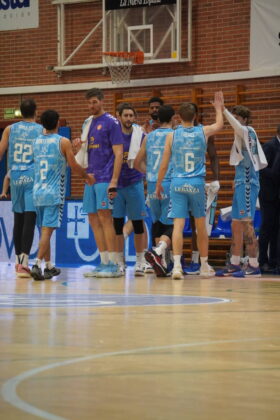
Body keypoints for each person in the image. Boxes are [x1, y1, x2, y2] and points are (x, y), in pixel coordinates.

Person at [155, 92, 224, 280]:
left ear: (178, 117)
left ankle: (177, 266)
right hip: (196, 183)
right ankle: (203, 265)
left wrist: (159, 184)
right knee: (200, 226)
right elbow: (220, 125)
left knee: (178, 225)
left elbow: (163, 164)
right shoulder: (203, 131)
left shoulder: (172, 135)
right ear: (195, 116)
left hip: (177, 183)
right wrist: (218, 109)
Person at [31, 110, 94, 281]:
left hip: (37, 191)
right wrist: (87, 176)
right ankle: (36, 264)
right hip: (53, 192)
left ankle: (49, 266)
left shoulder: (36, 141)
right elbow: (72, 165)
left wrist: (70, 152)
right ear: (58, 122)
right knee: (47, 230)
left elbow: (57, 161)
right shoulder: (63, 141)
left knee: (45, 231)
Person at [74, 88, 123, 278]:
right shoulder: (88, 123)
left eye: (94, 102)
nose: (91, 106)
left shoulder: (111, 123)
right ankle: (103, 262)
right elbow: (83, 152)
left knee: (105, 219)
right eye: (89, 103)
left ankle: (113, 263)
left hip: (105, 178)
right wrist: (77, 147)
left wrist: (114, 181)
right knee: (93, 219)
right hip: (90, 178)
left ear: (102, 101)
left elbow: (119, 153)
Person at [216, 105, 267, 278]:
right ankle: (235, 263)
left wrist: (222, 110)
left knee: (247, 223)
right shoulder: (242, 134)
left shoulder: (247, 130)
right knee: (235, 224)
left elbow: (237, 127)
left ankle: (254, 265)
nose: (235, 121)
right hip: (240, 182)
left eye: (238, 118)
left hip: (247, 183)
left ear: (244, 120)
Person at [0, 99, 43, 278]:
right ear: (36, 111)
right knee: (29, 219)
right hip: (32, 176)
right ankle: (24, 262)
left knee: (18, 219)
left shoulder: (10, 129)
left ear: (20, 112)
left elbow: (1, 151)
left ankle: (18, 261)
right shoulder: (41, 129)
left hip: (15, 176)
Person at [134, 105, 175, 277]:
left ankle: (161, 262)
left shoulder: (148, 137)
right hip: (168, 182)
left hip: (151, 184)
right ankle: (159, 252)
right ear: (172, 118)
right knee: (173, 222)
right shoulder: (174, 136)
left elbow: (136, 163)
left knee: (157, 222)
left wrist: (149, 171)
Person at [185, 103, 220, 274]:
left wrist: (217, 179)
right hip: (181, 180)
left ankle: (197, 260)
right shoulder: (178, 132)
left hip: (197, 182)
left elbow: (213, 156)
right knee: (176, 223)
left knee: (197, 223)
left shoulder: (205, 132)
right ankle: (175, 260)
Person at [112, 104, 146, 275]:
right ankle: (120, 262)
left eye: (131, 115)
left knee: (138, 224)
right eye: (125, 115)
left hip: (134, 182)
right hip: (117, 185)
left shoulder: (141, 135)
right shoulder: (112, 135)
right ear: (118, 116)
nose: (128, 118)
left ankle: (140, 261)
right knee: (117, 226)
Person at [258, 125, 280, 273]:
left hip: (278, 194)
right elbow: (261, 167)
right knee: (267, 227)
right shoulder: (270, 146)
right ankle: (262, 261)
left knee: (277, 229)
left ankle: (274, 261)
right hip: (268, 194)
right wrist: (274, 174)